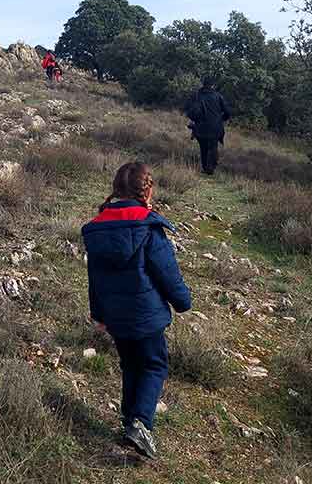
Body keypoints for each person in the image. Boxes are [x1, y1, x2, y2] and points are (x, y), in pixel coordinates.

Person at [81, 162, 193, 459]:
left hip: (116, 316)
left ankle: (129, 424)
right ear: (148, 190)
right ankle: (141, 423)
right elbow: (166, 272)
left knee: (131, 367)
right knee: (155, 366)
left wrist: (99, 315)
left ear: (116, 190)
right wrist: (182, 301)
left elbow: (95, 277)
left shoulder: (97, 227)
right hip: (146, 315)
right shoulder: (148, 225)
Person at [184, 77, 231, 175]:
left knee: (203, 148)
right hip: (215, 127)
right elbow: (228, 112)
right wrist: (221, 119)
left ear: (203, 84)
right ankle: (211, 168)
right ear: (213, 85)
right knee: (213, 147)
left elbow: (188, 111)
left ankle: (205, 168)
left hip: (200, 127)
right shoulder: (218, 96)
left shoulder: (196, 96)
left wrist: (195, 121)